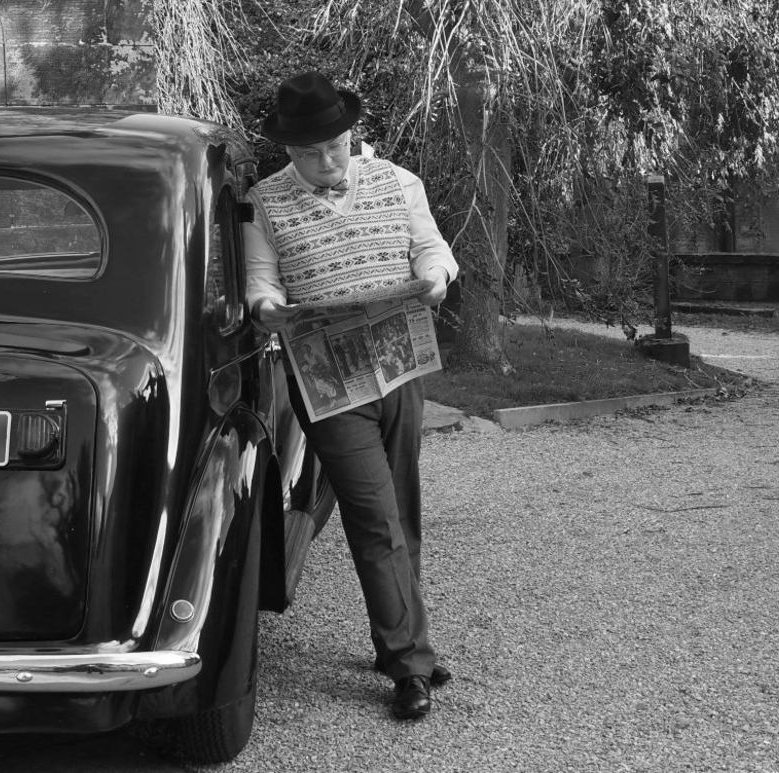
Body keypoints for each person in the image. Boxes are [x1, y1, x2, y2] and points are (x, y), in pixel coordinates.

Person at [242, 71, 459, 720]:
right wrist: (267, 308)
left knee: (400, 508)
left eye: (334, 146)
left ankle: (404, 637)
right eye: (309, 152)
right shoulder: (263, 203)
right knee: (372, 514)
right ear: (287, 149)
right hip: (328, 381)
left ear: (350, 134)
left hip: (399, 365)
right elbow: (261, 283)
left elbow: (433, 250)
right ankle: (409, 666)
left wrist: (432, 277)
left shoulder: (399, 182)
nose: (325, 160)